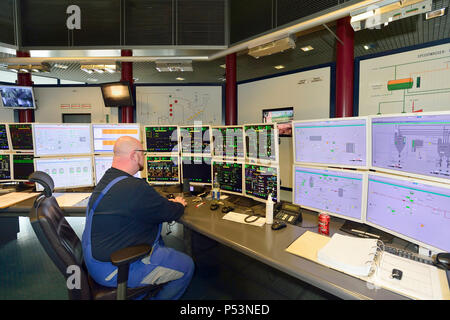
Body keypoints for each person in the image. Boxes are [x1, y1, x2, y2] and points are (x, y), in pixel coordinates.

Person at [81, 136, 194, 300]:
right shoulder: (134, 187)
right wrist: (178, 203)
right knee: (187, 266)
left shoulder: (109, 179)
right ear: (134, 155)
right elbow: (171, 212)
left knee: (159, 242)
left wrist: (160, 203)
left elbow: (144, 205)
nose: (144, 157)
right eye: (143, 153)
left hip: (95, 259)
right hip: (114, 268)